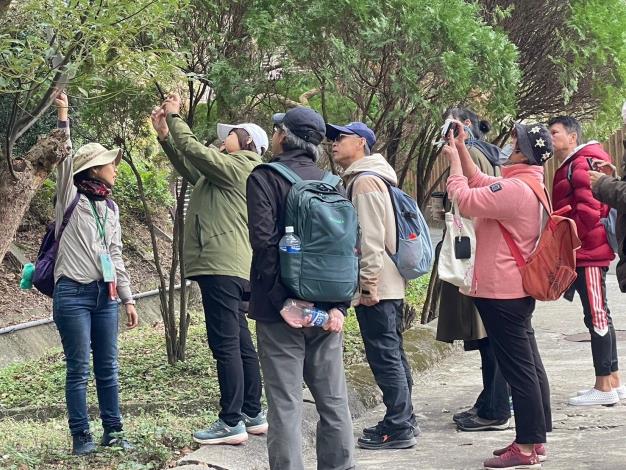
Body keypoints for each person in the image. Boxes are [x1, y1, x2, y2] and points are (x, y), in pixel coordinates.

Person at [151, 94, 267, 445]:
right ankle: (252, 412)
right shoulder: (225, 173)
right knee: (241, 342)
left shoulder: (241, 165)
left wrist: (174, 116)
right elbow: (191, 166)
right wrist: (164, 137)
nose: (223, 137)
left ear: (246, 142)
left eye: (229, 133)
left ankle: (231, 422)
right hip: (229, 265)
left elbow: (197, 152)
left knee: (225, 343)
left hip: (220, 264)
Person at [246, 107, 354, 470]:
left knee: (286, 404)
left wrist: (283, 303)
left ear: (283, 136)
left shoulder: (265, 177)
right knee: (333, 401)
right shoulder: (333, 183)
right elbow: (346, 248)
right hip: (327, 309)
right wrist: (339, 305)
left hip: (281, 314)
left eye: (276, 129)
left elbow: (264, 244)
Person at [443, 122, 552, 469]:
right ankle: (535, 439)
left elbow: (465, 199)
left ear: (522, 151)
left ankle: (525, 447)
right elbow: (481, 183)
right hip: (514, 289)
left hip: (502, 292)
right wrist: (461, 148)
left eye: (513, 143)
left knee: (518, 370)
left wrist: (454, 167)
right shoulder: (528, 183)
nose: (507, 147)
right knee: (529, 365)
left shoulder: (517, 189)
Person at [53, 91, 138, 455]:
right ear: (92, 170)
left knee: (108, 367)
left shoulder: (111, 209)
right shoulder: (69, 197)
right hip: (72, 293)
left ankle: (114, 432)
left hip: (106, 296)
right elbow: (63, 160)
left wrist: (129, 298)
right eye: (109, 163)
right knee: (79, 368)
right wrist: (63, 113)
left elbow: (115, 255)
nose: (115, 168)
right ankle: (81, 436)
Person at [326, 120, 417, 449]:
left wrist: (367, 288)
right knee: (392, 352)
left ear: (361, 143)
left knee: (384, 356)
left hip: (377, 287)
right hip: (387, 284)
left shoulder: (364, 182)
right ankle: (405, 418)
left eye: (341, 137)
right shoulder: (370, 178)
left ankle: (398, 425)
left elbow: (371, 240)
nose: (334, 142)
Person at [432, 107, 511, 432]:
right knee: (487, 337)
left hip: (478, 260)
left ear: (465, 126)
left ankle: (496, 407)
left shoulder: (474, 156)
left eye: (452, 124)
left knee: (489, 336)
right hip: (478, 257)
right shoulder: (484, 154)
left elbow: (469, 202)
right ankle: (490, 400)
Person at [549, 116, 623, 406]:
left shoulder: (582, 162)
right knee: (597, 313)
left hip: (588, 252)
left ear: (572, 136)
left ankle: (603, 386)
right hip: (585, 250)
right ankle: (613, 381)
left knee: (597, 315)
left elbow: (590, 211)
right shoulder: (575, 163)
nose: (550, 137)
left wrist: (571, 241)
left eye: (555, 132)